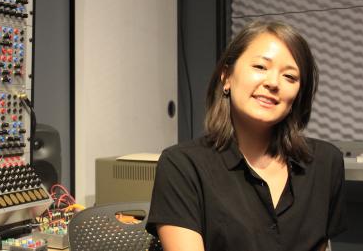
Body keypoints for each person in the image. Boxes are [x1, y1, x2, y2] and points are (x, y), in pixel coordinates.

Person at [146, 20, 347, 251]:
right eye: (260, 67)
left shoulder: (325, 162)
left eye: (290, 77)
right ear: (227, 76)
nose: (273, 83)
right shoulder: (181, 166)